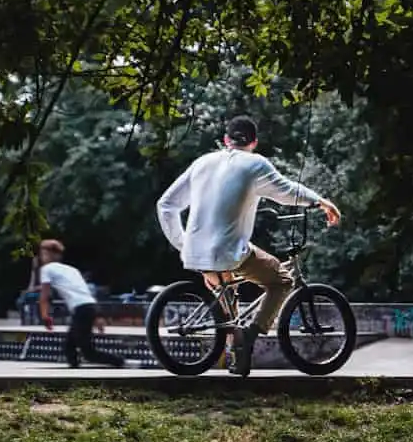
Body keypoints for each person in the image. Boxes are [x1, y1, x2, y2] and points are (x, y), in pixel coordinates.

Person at [155, 115, 341, 376]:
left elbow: (166, 205)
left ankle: (239, 357)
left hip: (195, 254)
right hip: (230, 253)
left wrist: (182, 243)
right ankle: (251, 335)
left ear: (225, 140)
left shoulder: (202, 162)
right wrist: (320, 201)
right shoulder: (255, 164)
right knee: (282, 281)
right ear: (254, 142)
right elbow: (287, 192)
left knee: (228, 299)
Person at [36, 239, 140, 369]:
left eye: (45, 254)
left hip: (81, 309)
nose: (43, 257)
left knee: (88, 352)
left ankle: (122, 362)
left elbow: (44, 296)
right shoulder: (72, 270)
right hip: (89, 306)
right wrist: (97, 315)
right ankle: (74, 371)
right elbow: (85, 292)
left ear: (54, 255)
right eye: (42, 254)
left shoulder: (46, 269)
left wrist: (45, 316)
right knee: (69, 346)